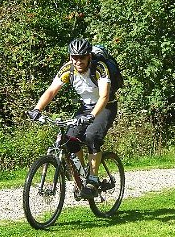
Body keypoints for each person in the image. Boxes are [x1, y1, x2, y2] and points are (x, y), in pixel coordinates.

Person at [27, 38, 118, 198]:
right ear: (70, 57)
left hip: (105, 106)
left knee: (92, 136)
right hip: (86, 107)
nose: (78, 61)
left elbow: (104, 96)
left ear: (89, 56)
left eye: (82, 57)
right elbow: (51, 91)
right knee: (69, 140)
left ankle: (93, 179)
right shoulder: (67, 70)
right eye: (75, 57)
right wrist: (37, 109)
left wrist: (92, 116)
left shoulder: (99, 68)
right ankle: (82, 177)